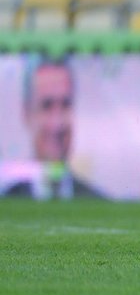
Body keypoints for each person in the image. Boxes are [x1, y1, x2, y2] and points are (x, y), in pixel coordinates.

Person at [3, 59, 104, 199]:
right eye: (47, 106)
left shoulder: (98, 203)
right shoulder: (8, 202)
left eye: (65, 105)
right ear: (27, 114)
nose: (57, 124)